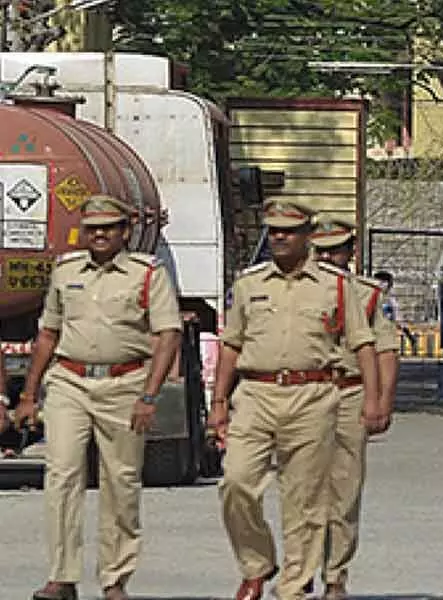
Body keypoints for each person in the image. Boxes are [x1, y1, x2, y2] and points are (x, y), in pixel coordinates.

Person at [208, 200, 381, 600]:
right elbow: (231, 345)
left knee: (304, 497)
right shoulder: (250, 284)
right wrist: (218, 401)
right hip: (255, 393)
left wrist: (373, 401)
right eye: (273, 230)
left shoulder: (335, 285)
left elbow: (364, 345)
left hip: (313, 393)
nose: (279, 237)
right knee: (236, 481)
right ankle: (256, 563)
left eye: (287, 231)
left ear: (307, 236)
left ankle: (293, 586)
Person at [15, 194, 181, 600]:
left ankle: (114, 578)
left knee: (120, 481)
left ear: (125, 232)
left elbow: (168, 334)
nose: (100, 234)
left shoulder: (147, 273)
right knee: (62, 476)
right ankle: (62, 576)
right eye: (92, 228)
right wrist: (29, 394)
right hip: (70, 381)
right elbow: (49, 333)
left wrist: (149, 395)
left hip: (125, 384)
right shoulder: (67, 270)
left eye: (108, 227)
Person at [307, 214, 399, 600]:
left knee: (343, 489)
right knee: (304, 490)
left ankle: (335, 575)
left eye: (337, 250)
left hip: (349, 393)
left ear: (351, 251)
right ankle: (302, 566)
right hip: (304, 394)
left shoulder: (370, 295)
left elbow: (386, 352)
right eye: (322, 251)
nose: (329, 258)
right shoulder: (294, 290)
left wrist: (381, 401)